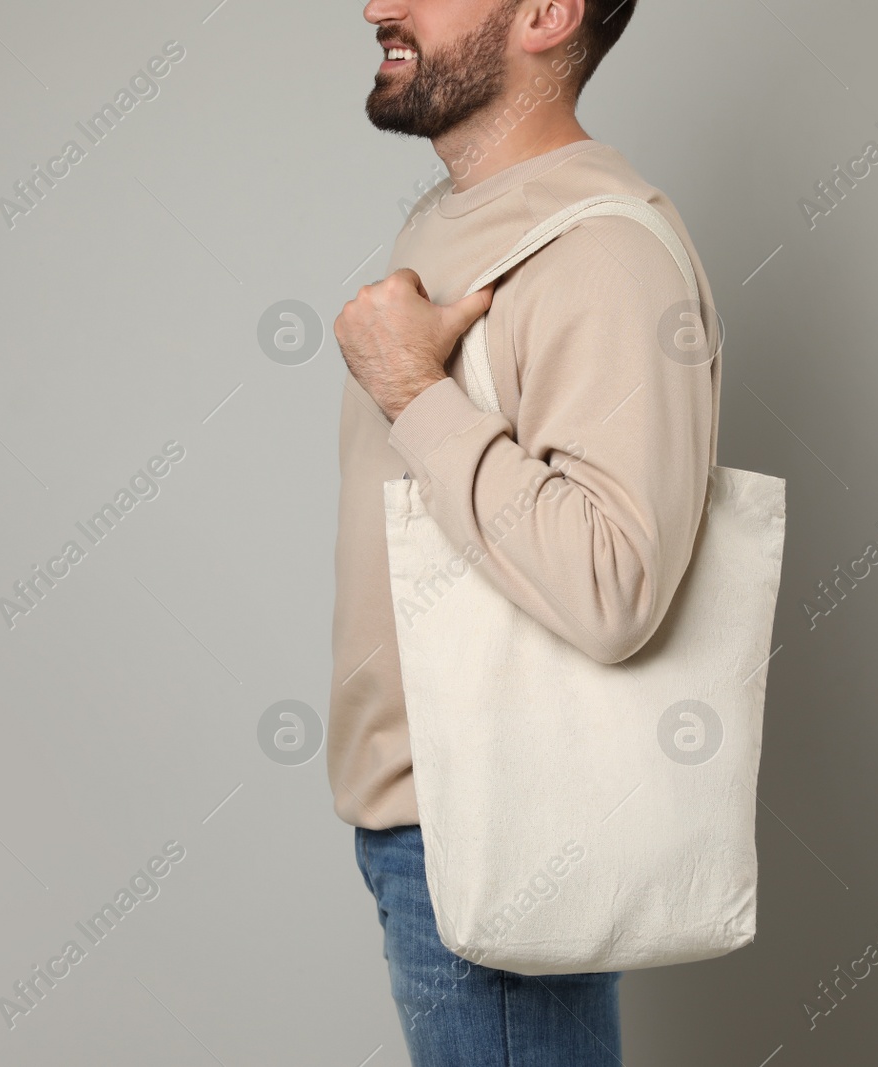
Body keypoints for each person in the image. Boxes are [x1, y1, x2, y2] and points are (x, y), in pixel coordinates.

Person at [329, 1, 722, 1062]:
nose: (377, 5)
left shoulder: (599, 249)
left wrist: (411, 386)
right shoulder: (454, 215)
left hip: (491, 827)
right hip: (421, 825)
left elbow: (614, 586)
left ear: (546, 13)